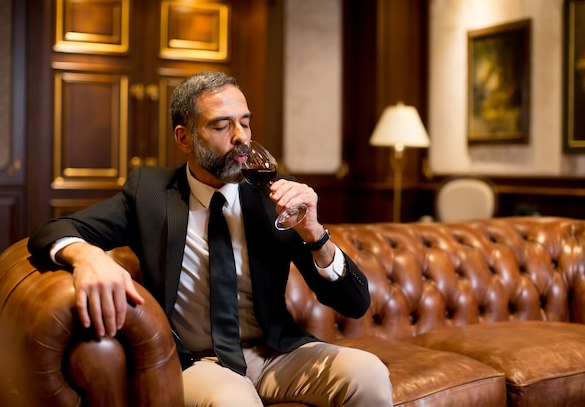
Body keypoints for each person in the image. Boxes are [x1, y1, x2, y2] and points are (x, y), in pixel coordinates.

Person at [28, 71, 393, 407]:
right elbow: (52, 231)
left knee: (369, 374)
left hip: (274, 353)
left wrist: (315, 234)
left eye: (245, 123)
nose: (242, 138)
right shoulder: (150, 193)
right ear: (184, 137)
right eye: (222, 125)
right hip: (197, 361)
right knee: (233, 400)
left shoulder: (274, 194)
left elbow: (356, 304)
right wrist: (88, 257)